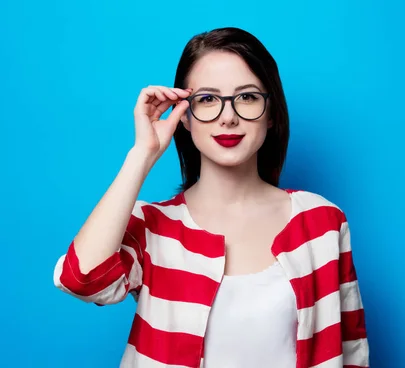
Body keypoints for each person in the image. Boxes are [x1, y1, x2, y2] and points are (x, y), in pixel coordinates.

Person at [53, 27, 369, 368]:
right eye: (207, 99)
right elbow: (81, 280)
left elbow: (351, 351)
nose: (228, 116)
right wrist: (141, 155)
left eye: (247, 97)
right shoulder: (154, 226)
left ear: (272, 112)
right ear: (183, 114)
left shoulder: (321, 222)